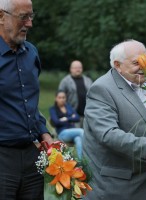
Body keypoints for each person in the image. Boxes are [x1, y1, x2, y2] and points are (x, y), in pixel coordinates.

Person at [83, 39, 146, 200]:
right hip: (120, 187)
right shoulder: (102, 89)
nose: (144, 67)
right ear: (117, 65)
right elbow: (108, 134)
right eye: (136, 62)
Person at [0, 0, 53, 199]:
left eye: (31, 16)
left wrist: (44, 133)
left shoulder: (31, 52)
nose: (29, 24)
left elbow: (28, 103)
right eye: (23, 17)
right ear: (1, 16)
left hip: (32, 156)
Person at [49, 90, 84, 159]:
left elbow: (77, 118)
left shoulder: (68, 107)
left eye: (63, 97)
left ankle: (81, 162)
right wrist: (71, 117)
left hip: (73, 132)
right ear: (56, 98)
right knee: (81, 131)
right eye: (60, 97)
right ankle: (90, 152)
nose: (62, 99)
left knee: (78, 139)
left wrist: (66, 119)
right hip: (62, 133)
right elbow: (56, 122)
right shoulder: (53, 109)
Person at [58, 60, 93, 127]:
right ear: (71, 69)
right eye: (75, 67)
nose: (78, 69)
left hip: (87, 116)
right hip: (73, 115)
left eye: (79, 67)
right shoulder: (65, 81)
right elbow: (59, 99)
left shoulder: (88, 80)